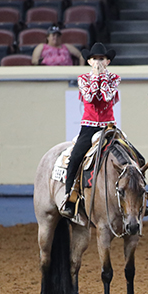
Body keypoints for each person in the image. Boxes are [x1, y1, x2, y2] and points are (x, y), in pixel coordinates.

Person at [59, 42, 120, 218]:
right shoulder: (83, 79)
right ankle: (68, 197)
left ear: (108, 62)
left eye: (102, 59)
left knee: (131, 155)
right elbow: (90, 96)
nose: (98, 62)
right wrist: (95, 76)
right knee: (75, 158)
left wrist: (102, 77)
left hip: (109, 127)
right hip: (89, 127)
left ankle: (139, 193)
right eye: (95, 59)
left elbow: (106, 96)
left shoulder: (114, 78)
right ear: (89, 62)